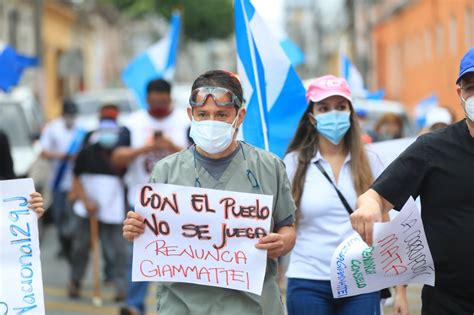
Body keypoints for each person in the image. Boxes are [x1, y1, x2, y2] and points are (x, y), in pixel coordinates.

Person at [122, 70, 296, 315]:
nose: (211, 122)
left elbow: (287, 226)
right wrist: (135, 230)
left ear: (240, 116)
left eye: (222, 115)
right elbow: (149, 234)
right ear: (190, 115)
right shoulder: (166, 171)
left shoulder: (269, 167)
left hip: (251, 306)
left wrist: (283, 241)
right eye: (203, 115)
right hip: (182, 306)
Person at [350, 47, 474, 314]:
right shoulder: (432, 149)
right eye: (472, 88)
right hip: (447, 302)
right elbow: (375, 197)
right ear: (460, 94)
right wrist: (369, 206)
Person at [283, 75, 382, 315]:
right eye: (324, 108)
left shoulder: (371, 160)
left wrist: (399, 289)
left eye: (340, 107)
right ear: (312, 117)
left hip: (362, 279)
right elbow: (283, 223)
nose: (333, 114)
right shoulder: (293, 163)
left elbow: (387, 224)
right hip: (307, 280)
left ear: (350, 112)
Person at [112, 79, 190, 315]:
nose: (158, 105)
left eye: (163, 102)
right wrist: (145, 149)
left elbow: (200, 157)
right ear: (147, 99)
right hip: (142, 201)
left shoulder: (185, 122)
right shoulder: (132, 123)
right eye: (154, 101)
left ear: (170, 99)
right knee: (139, 256)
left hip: (179, 203)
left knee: (179, 256)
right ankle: (135, 305)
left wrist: (171, 146)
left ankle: (178, 306)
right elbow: (117, 157)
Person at [67, 104, 129, 300]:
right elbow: (76, 177)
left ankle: (121, 286)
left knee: (119, 249)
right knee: (81, 246)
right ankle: (75, 280)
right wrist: (85, 200)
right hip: (89, 207)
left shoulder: (121, 153)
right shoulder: (87, 151)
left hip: (114, 207)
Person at [40, 98, 84, 259]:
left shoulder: (81, 130)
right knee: (59, 217)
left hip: (76, 183)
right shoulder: (53, 128)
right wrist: (63, 156)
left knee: (74, 217)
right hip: (57, 181)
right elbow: (43, 152)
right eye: (68, 114)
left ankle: (72, 245)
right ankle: (63, 245)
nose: (71, 118)